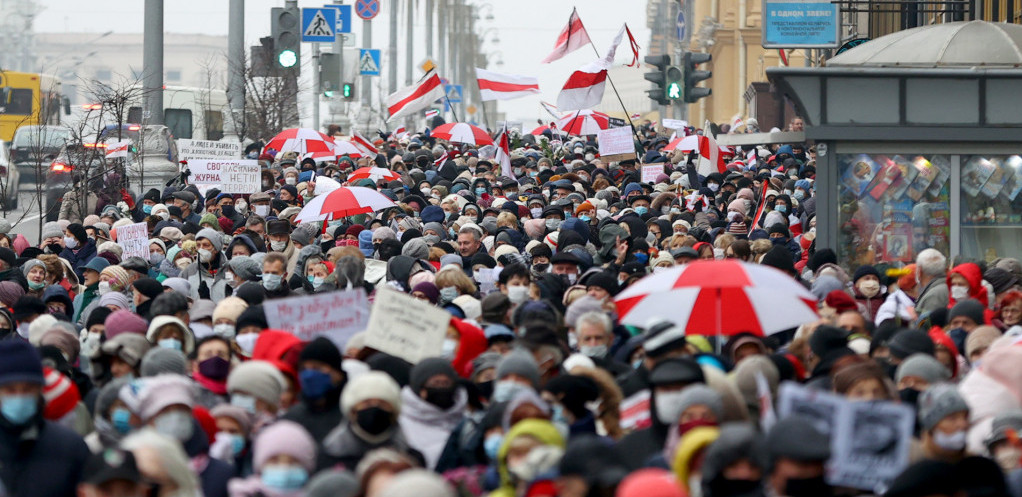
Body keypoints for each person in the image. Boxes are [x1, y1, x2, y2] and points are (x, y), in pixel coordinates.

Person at [0, 339, 90, 496]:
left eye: (28, 389)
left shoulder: (70, 447)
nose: (19, 397)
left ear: (40, 390)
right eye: (10, 390)